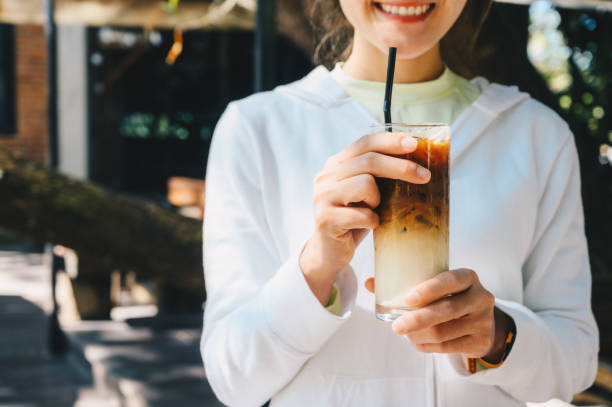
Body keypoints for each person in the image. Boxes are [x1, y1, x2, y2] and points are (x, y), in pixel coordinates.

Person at [201, 1, 599, 406]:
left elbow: (576, 357)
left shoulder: (536, 135)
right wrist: (316, 265)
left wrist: (498, 335)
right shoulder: (256, 131)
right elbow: (233, 379)